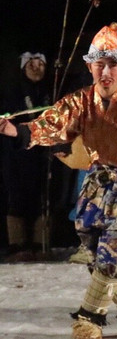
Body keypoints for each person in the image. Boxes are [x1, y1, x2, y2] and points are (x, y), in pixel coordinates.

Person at [0, 24, 117, 339]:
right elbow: (51, 125)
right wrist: (18, 131)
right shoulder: (79, 102)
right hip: (97, 187)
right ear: (90, 66)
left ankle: (88, 316)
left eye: (113, 63)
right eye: (100, 63)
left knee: (115, 254)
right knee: (97, 253)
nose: (106, 71)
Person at [2, 51, 52, 259]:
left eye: (40, 64)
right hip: (17, 153)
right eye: (30, 64)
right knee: (17, 196)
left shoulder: (50, 90)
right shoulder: (12, 91)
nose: (35, 68)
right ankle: (17, 244)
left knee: (45, 195)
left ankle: (42, 243)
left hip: (44, 151)